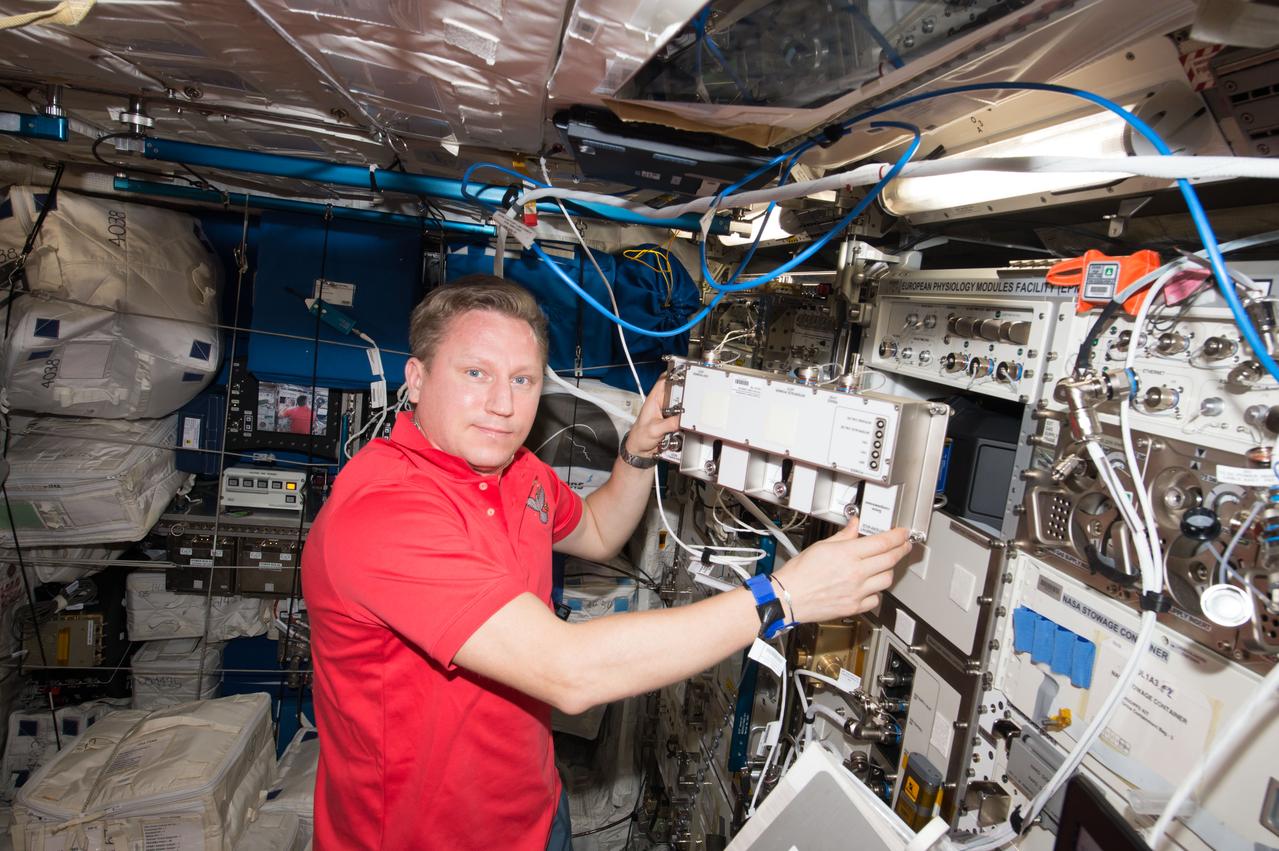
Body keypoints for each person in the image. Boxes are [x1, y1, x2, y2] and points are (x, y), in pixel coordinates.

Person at [302, 275, 913, 850]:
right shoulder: (384, 513)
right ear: (416, 377)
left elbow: (596, 531)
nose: (501, 404)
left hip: (535, 812)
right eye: (474, 372)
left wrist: (639, 453)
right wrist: (782, 597)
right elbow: (566, 671)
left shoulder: (512, 471)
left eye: (523, 379)